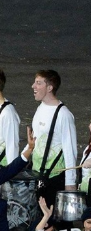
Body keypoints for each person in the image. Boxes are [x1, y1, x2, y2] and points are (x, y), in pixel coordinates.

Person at [25, 69, 78, 204]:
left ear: (49, 88)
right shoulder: (40, 108)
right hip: (38, 176)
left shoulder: (63, 115)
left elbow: (70, 150)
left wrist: (70, 185)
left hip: (55, 179)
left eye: (38, 83)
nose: (33, 86)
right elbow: (35, 141)